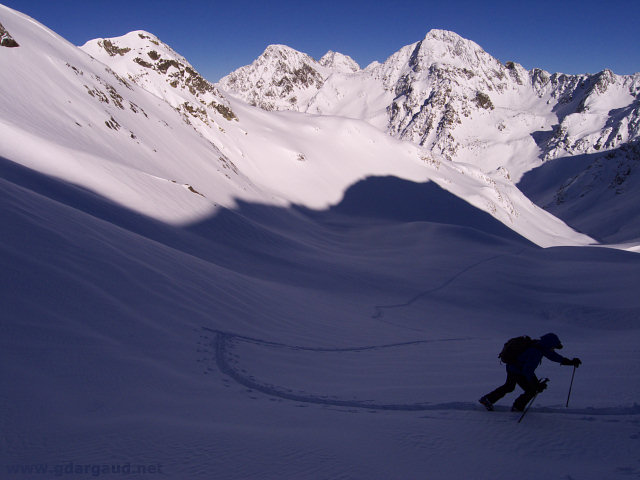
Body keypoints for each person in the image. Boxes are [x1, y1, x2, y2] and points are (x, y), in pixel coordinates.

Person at [479, 333, 581, 412]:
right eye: (553, 346)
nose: (553, 349)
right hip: (517, 370)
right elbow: (527, 370)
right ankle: (517, 407)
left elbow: (553, 356)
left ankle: (487, 399)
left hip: (512, 367)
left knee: (509, 386)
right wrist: (535, 384)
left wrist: (569, 362)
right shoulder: (535, 352)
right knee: (531, 390)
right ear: (549, 344)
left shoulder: (540, 346)